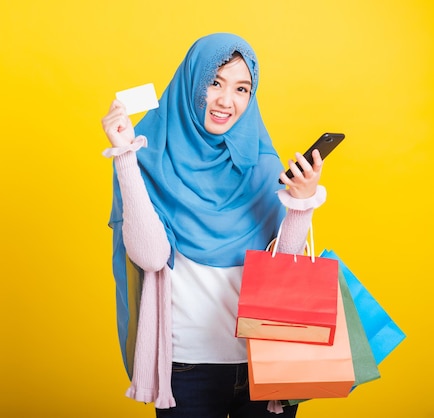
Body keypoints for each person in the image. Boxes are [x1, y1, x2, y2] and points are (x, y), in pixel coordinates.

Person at [101, 33, 327, 418]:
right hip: (187, 367)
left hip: (264, 363)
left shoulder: (262, 163)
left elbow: (282, 270)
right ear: (192, 82)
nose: (227, 100)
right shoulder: (146, 155)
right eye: (215, 82)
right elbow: (152, 256)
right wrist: (124, 155)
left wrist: (301, 203)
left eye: (242, 88)